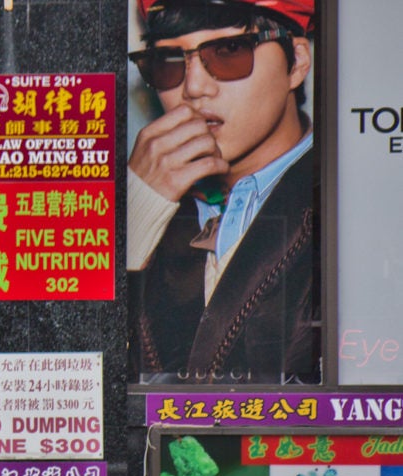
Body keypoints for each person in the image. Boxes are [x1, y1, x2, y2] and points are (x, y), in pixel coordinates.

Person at [126, 0, 318, 384]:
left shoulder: (353, 201)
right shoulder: (145, 201)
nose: (193, 88)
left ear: (295, 62)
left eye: (230, 52)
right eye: (168, 60)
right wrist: (132, 219)